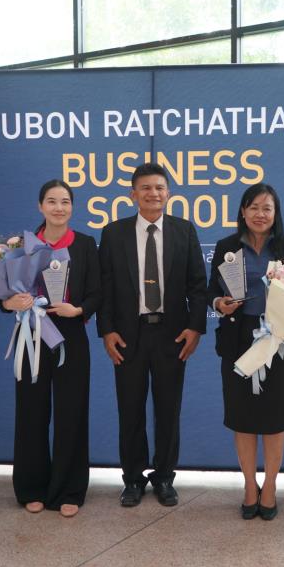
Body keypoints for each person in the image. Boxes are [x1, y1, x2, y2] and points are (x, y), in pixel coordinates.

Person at [97, 162, 208, 507]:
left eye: (159, 187)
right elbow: (104, 288)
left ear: (168, 193)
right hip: (127, 336)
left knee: (168, 411)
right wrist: (107, 331)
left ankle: (164, 477)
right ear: (133, 194)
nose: (153, 194)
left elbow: (198, 285)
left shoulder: (184, 231)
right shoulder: (113, 234)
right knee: (129, 410)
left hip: (171, 335)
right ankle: (132, 479)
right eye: (145, 188)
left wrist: (195, 327)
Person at [208, 184, 284, 520]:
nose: (260, 214)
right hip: (238, 337)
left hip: (279, 336)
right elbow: (211, 291)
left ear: (275, 213)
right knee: (242, 416)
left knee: (273, 418)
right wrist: (219, 303)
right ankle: (249, 485)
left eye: (267, 208)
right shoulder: (227, 247)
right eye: (254, 207)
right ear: (243, 211)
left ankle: (270, 486)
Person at [1, 180, 101, 517]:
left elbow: (97, 292)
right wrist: (10, 303)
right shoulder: (22, 245)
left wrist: (80, 309)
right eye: (52, 201)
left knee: (72, 413)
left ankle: (69, 489)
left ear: (72, 207)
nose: (59, 208)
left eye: (65, 202)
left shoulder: (85, 244)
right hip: (31, 334)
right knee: (31, 412)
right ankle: (31, 487)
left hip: (71, 334)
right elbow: (4, 294)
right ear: (40, 206)